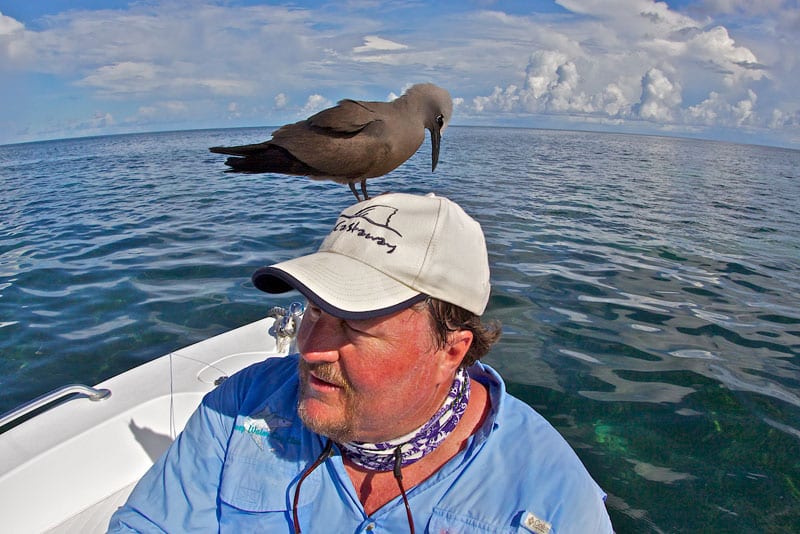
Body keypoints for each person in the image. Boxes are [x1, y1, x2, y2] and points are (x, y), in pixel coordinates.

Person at [109, 192, 613, 533]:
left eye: (352, 325)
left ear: (451, 351)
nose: (310, 346)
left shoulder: (555, 501)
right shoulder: (237, 408)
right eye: (312, 309)